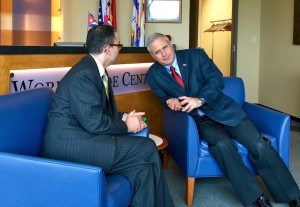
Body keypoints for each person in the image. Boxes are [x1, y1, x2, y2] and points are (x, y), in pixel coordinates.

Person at [145, 32, 300, 207]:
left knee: (258, 145)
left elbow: (216, 80)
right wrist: (170, 102)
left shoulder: (195, 56)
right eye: (157, 52)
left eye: (164, 47)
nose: (163, 53)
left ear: (170, 45)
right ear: (153, 55)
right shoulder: (153, 75)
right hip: (202, 122)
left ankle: (290, 194)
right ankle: (255, 197)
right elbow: (162, 98)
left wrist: (200, 99)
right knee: (222, 146)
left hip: (225, 111)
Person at [42, 26, 174, 207]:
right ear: (107, 49)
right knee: (146, 147)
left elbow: (97, 113)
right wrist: (127, 126)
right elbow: (94, 123)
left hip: (85, 136)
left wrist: (125, 117)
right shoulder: (84, 74)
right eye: (118, 44)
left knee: (143, 166)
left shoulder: (95, 71)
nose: (120, 48)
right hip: (70, 146)